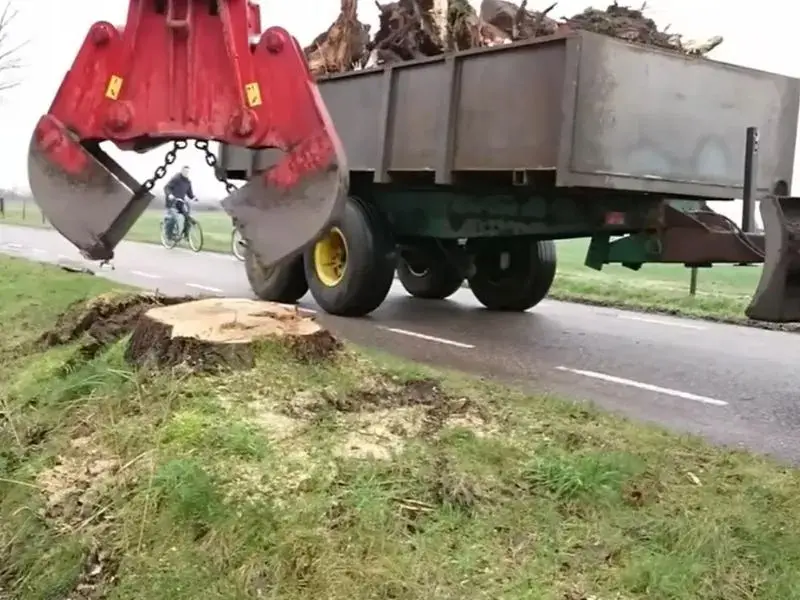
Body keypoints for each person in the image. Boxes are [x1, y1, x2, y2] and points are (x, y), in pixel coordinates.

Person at [163, 165, 197, 237]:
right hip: (172, 202)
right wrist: (169, 195)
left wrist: (194, 198)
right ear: (182, 171)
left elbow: (189, 193)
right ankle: (169, 235)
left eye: (187, 171)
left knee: (188, 218)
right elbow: (167, 187)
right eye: (185, 171)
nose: (186, 173)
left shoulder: (188, 182)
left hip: (180, 203)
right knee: (173, 218)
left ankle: (186, 236)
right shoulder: (176, 178)